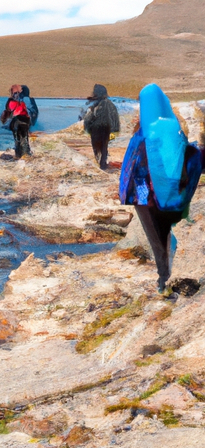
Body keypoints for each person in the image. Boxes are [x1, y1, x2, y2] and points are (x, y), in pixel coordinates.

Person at [119, 84, 203, 293]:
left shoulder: (139, 133)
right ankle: (168, 278)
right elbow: (179, 159)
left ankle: (163, 278)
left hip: (140, 196)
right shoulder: (168, 127)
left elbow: (129, 168)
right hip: (162, 194)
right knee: (165, 232)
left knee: (155, 238)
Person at [81, 84, 120, 170]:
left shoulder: (93, 105)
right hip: (105, 129)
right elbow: (115, 118)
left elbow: (88, 118)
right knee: (103, 147)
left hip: (96, 130)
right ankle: (103, 164)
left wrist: (87, 129)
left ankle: (100, 164)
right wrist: (115, 130)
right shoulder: (110, 104)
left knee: (97, 147)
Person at [0, 84, 32, 158]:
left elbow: (7, 112)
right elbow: (28, 112)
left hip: (16, 122)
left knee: (17, 140)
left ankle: (18, 156)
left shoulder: (10, 101)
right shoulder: (24, 101)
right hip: (24, 121)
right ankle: (26, 155)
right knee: (24, 139)